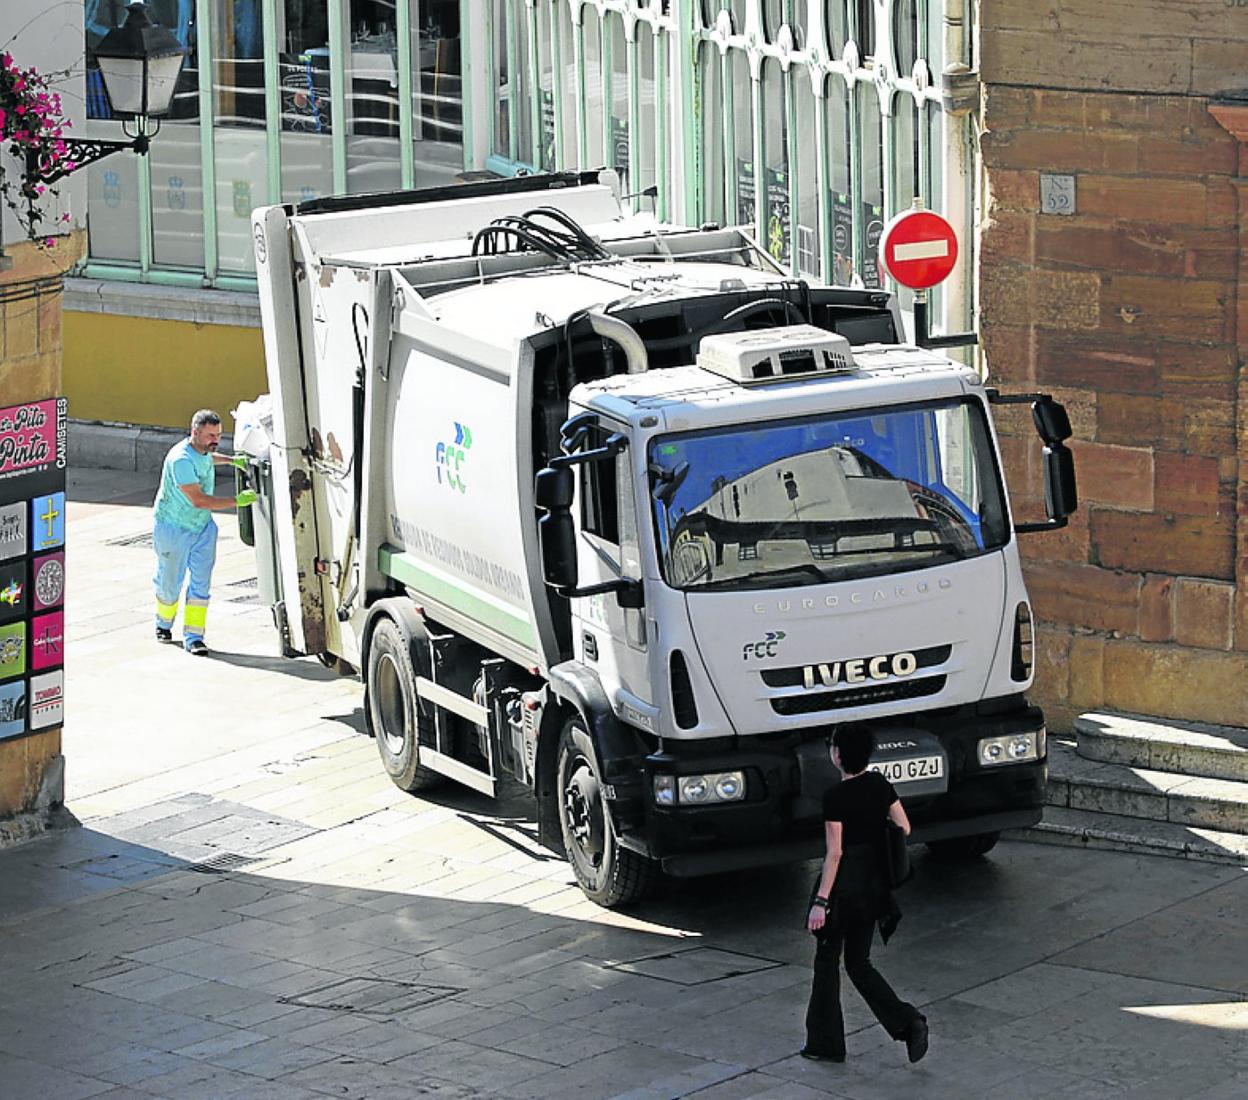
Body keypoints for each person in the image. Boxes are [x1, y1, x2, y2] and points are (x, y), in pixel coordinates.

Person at [802, 725, 928, 1064]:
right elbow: (904, 827)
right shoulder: (880, 785)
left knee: (827, 963)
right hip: (873, 887)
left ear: (838, 755)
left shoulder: (834, 798)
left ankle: (825, 1044)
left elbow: (835, 854)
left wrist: (821, 902)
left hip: (842, 889)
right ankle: (908, 1021)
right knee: (859, 962)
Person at [152, 409, 253, 655]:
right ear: (194, 432)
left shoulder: (202, 451)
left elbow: (208, 458)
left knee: (201, 584)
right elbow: (199, 500)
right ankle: (163, 624)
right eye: (210, 435)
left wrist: (231, 460)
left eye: (218, 435)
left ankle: (194, 637)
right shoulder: (181, 460)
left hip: (202, 529)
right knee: (170, 583)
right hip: (173, 529)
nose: (215, 440)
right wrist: (236, 501)